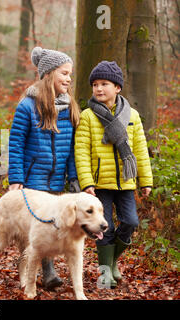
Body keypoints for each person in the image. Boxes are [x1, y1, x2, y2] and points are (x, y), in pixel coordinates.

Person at [8, 47, 81, 290]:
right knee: (42, 222)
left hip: (57, 179)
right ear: (49, 74)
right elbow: (16, 144)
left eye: (70, 74)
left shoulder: (69, 106)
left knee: (54, 223)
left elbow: (71, 149)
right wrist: (16, 178)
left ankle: (38, 265)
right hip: (32, 179)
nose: (69, 79)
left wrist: (73, 178)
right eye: (64, 73)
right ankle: (47, 272)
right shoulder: (27, 106)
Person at [75, 61, 153, 288]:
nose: (98, 89)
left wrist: (145, 180)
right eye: (95, 85)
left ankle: (112, 262)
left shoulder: (132, 115)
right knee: (104, 227)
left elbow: (140, 150)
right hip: (99, 185)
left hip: (126, 183)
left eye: (104, 84)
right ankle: (104, 273)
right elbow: (81, 151)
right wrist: (87, 182)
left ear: (117, 87)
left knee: (130, 222)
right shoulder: (88, 116)